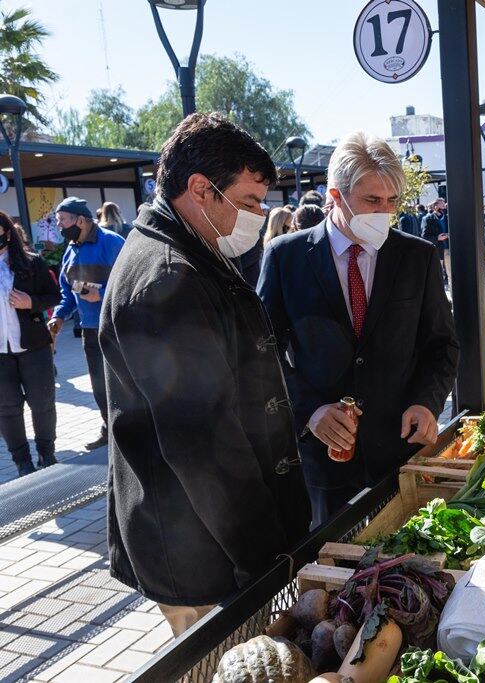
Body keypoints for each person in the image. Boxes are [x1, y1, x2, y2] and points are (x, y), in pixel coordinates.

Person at [99, 113, 311, 636]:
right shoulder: (168, 277)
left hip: (203, 536)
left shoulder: (186, 252)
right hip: (198, 546)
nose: (259, 216)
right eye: (247, 201)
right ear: (199, 189)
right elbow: (203, 444)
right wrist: (261, 556)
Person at [258, 131, 458, 527]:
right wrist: (308, 411)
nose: (384, 212)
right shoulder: (285, 257)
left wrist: (426, 402)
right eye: (372, 200)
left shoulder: (417, 257)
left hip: (398, 450)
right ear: (335, 196)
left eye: (392, 201)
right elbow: (260, 352)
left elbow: (442, 345)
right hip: (323, 458)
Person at [48, 196, 125, 450]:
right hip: (90, 329)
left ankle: (135, 432)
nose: (59, 226)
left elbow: (131, 280)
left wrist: (101, 294)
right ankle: (110, 431)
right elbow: (67, 293)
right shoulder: (70, 250)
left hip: (118, 327)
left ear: (80, 220)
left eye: (63, 220)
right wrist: (59, 315)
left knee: (125, 383)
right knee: (100, 386)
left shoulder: (111, 242)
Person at [0, 214, 60, 476]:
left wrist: (30, 302)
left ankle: (47, 454)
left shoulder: (31, 262)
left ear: (8, 234)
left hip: (34, 347)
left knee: (42, 402)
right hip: (1, 354)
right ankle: (22, 463)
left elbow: (54, 295)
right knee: (7, 408)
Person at [421, 201, 450, 286]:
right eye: (442, 204)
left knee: (451, 274)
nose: (444, 205)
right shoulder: (427, 219)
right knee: (438, 276)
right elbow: (424, 237)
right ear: (436, 206)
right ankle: (440, 298)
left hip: (449, 249)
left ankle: (453, 297)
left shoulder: (448, 218)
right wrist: (437, 238)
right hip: (437, 250)